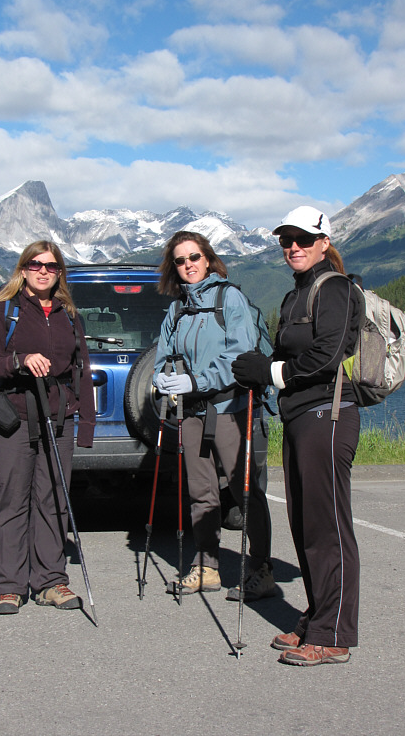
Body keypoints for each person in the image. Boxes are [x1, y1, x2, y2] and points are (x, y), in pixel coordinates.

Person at [232, 206, 362, 666]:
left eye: (304, 239)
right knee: (306, 526)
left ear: (324, 242)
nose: (293, 247)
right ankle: (318, 616)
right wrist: (259, 370)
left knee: (328, 529)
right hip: (299, 416)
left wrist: (270, 372)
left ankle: (334, 635)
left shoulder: (338, 289)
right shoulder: (296, 295)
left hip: (328, 414)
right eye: (287, 239)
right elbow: (288, 356)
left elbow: (326, 358)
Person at [153, 230, 275, 599]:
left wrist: (195, 381)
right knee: (201, 492)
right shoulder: (177, 308)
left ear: (207, 259)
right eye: (180, 260)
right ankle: (206, 566)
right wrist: (164, 379)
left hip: (230, 407)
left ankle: (261, 569)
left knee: (244, 491)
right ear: (173, 267)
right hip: (191, 412)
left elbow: (240, 356)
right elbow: (164, 356)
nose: (188, 264)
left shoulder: (230, 298)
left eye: (194, 257)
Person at [0, 240, 95, 615]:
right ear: (23, 269)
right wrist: (20, 360)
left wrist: (86, 424)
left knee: (54, 501)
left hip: (58, 420)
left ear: (59, 272)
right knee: (12, 500)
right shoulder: (3, 310)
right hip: (13, 419)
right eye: (36, 264)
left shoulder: (69, 315)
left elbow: (82, 372)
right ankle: (9, 586)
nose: (44, 271)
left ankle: (51, 581)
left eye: (52, 265)